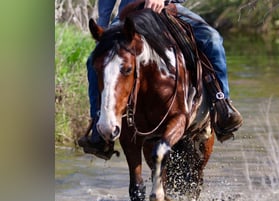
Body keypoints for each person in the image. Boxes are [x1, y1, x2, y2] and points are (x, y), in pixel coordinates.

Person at [78, 0, 243, 160]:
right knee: (94, 60)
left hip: (168, 8)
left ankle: (222, 104)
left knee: (212, 39)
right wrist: (103, 22)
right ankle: (98, 123)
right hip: (128, 14)